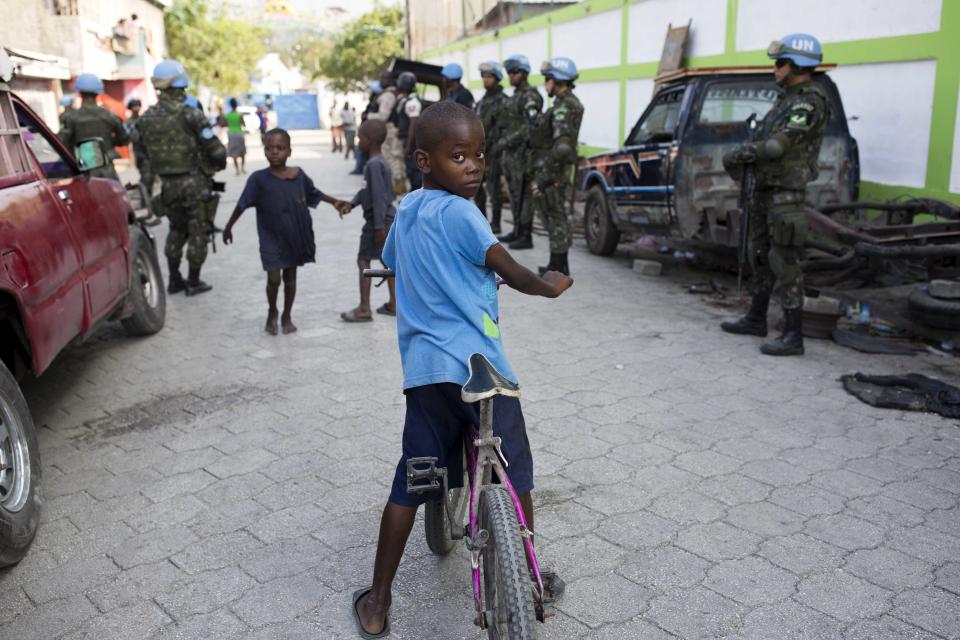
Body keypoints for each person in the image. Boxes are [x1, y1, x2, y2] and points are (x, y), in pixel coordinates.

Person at [352, 101, 573, 637]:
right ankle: (528, 572)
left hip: (427, 374)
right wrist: (550, 284)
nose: (474, 166)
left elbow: (393, 259)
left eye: (479, 155)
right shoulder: (464, 213)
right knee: (514, 466)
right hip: (482, 369)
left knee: (412, 478)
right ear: (424, 160)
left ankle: (378, 600)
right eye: (459, 156)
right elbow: (509, 270)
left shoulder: (407, 211)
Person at [720, 33, 829, 357]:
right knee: (760, 254)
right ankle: (756, 317)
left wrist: (740, 154)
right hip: (766, 190)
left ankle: (793, 335)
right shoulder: (786, 99)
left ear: (797, 65)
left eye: (780, 63)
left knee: (784, 261)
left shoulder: (808, 101)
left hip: (786, 193)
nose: (775, 68)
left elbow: (775, 146)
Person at [222, 128, 349, 335]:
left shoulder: (298, 175)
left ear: (289, 151)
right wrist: (228, 227)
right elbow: (242, 204)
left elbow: (314, 194)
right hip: (271, 237)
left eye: (280, 148)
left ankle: (286, 315)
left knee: (290, 278)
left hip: (295, 235)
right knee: (274, 279)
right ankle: (272, 311)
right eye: (269, 148)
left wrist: (335, 202)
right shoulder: (258, 179)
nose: (274, 152)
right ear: (264, 151)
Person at [134, 59, 227, 296]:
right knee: (198, 232)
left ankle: (175, 280)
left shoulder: (144, 120)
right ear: (180, 85)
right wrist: (218, 163)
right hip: (194, 184)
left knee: (176, 230)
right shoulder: (190, 114)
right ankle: (194, 282)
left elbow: (142, 156)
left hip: (167, 186)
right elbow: (215, 149)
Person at [529, 57, 584, 276]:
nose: (545, 85)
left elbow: (561, 147)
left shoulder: (564, 107)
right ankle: (558, 265)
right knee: (554, 217)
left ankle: (558, 267)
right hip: (555, 171)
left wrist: (544, 177)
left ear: (558, 81)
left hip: (554, 173)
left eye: (547, 80)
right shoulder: (565, 104)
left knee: (555, 218)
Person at [339, 119, 397, 323]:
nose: (357, 140)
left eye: (360, 137)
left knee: (363, 260)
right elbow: (366, 190)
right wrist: (352, 204)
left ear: (370, 140)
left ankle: (364, 308)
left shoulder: (373, 165)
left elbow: (379, 198)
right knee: (388, 261)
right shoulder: (377, 162)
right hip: (386, 219)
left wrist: (379, 227)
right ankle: (394, 303)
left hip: (377, 222)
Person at [494, 54, 543, 249]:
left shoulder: (530, 96)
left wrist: (507, 141)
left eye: (514, 72)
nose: (511, 76)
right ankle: (516, 230)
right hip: (510, 155)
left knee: (524, 197)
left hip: (523, 155)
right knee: (514, 195)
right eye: (509, 73)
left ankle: (525, 235)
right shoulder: (514, 96)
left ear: (524, 73)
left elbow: (531, 125)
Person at [58, 73, 129, 181]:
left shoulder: (69, 118)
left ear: (79, 93)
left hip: (83, 171)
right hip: (107, 170)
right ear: (98, 93)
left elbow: (62, 143)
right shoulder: (110, 115)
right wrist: (109, 143)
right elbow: (125, 139)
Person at [474, 61, 507, 234]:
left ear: (497, 78)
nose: (485, 80)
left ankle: (496, 223)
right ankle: (482, 219)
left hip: (494, 153)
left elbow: (505, 129)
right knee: (477, 188)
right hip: (479, 152)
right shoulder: (483, 101)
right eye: (484, 76)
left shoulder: (502, 101)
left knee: (495, 191)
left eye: (489, 77)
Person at [369, 71, 405, 195]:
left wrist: (368, 116)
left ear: (389, 80)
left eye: (383, 78)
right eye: (380, 78)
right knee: (393, 158)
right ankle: (397, 188)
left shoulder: (388, 95)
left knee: (393, 159)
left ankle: (398, 189)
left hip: (389, 131)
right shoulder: (388, 94)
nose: (381, 81)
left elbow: (383, 116)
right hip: (389, 130)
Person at [394, 72, 423, 191]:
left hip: (412, 142)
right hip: (407, 140)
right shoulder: (405, 100)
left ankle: (416, 193)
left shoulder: (412, 102)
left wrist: (408, 146)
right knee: (410, 170)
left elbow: (413, 125)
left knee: (414, 170)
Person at [352, 80, 382, 175]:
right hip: (366, 131)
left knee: (361, 151)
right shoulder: (372, 102)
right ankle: (359, 168)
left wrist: (367, 116)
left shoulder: (377, 102)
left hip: (370, 132)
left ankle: (359, 168)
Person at [224, 98, 247, 175]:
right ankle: (243, 168)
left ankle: (237, 170)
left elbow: (225, 124)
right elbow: (244, 124)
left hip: (231, 134)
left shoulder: (227, 115)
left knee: (233, 153)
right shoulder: (239, 114)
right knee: (242, 152)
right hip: (239, 133)